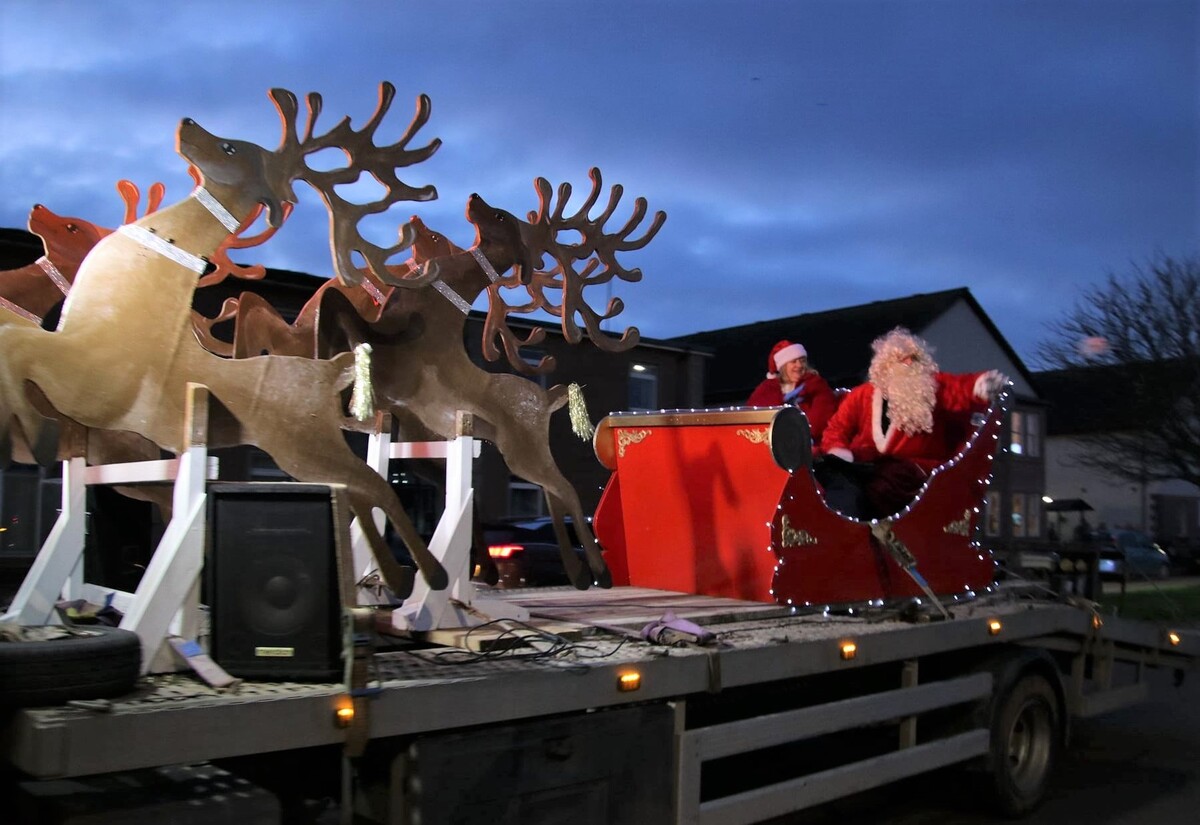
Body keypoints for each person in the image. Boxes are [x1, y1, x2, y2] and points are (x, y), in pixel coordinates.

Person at [817, 327, 1008, 519]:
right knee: (829, 474)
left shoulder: (932, 388)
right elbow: (837, 428)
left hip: (914, 468)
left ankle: (875, 530)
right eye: (901, 359)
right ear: (885, 365)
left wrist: (979, 385)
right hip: (867, 464)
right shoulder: (863, 395)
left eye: (914, 358)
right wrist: (839, 450)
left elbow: (958, 388)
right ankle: (840, 526)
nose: (909, 363)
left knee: (884, 485)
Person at [746, 339, 839, 442]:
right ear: (783, 366)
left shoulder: (816, 385)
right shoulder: (767, 389)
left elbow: (822, 415)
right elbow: (753, 416)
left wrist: (802, 436)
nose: (799, 365)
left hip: (809, 441)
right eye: (794, 361)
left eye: (802, 361)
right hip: (774, 442)